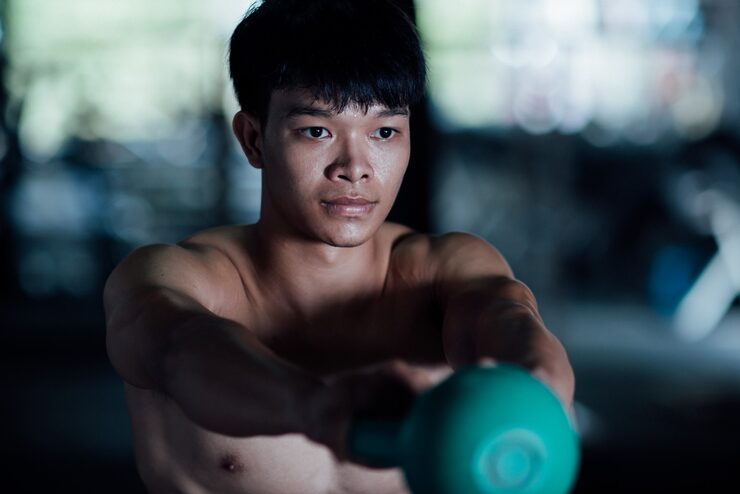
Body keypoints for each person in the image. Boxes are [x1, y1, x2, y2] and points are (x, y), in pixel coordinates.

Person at [103, 0, 575, 493]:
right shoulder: (174, 279)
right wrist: (312, 406)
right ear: (254, 139)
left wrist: (535, 378)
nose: (355, 167)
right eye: (317, 131)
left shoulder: (444, 272)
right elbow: (179, 351)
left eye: (384, 132)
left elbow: (506, 315)